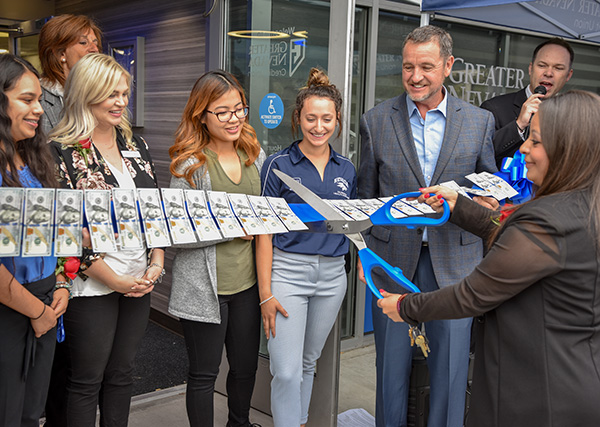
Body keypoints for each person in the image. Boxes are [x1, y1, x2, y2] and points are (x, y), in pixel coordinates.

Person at [378, 89, 600, 427]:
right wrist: (456, 206)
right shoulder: (585, 209)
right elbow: (512, 235)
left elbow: (473, 294)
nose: (524, 148)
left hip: (535, 396)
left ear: (569, 150)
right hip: (575, 380)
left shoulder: (547, 219)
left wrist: (406, 307)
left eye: (536, 142)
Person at [358, 25, 497, 427]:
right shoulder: (375, 120)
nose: (415, 76)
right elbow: (365, 199)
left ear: (448, 66)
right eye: (407, 67)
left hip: (455, 263)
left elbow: (489, 194)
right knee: (391, 371)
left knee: (451, 373)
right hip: (392, 265)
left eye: (426, 67)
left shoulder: (479, 122)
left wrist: (486, 204)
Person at [49, 53, 164, 427]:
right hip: (92, 285)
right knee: (86, 381)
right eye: (110, 94)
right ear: (85, 94)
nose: (120, 102)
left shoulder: (137, 145)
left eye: (124, 93)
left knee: (122, 374)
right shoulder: (62, 151)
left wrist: (157, 262)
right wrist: (113, 279)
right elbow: (63, 231)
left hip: (140, 278)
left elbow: (156, 212)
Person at [257, 68, 357, 427]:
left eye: (327, 119)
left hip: (332, 275)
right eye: (311, 118)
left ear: (337, 120)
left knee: (308, 363)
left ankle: (297, 421)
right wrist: (266, 293)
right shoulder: (278, 165)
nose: (319, 126)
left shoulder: (347, 169)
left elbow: (352, 225)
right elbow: (264, 232)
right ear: (297, 119)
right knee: (285, 371)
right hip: (287, 273)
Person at [168, 70, 265, 427]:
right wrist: (231, 227)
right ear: (201, 115)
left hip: (247, 285)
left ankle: (239, 423)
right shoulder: (188, 165)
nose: (234, 118)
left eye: (239, 109)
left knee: (245, 368)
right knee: (204, 375)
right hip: (204, 288)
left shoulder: (254, 154)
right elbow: (177, 232)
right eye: (222, 112)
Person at [0, 54, 69, 427]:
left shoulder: (33, 160)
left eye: (39, 99)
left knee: (30, 413)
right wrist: (37, 311)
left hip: (46, 302)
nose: (39, 109)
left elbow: (51, 233)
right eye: (27, 100)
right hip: (12, 309)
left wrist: (60, 282)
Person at [480, 37, 573, 168]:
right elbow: (480, 155)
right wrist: (518, 125)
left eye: (558, 68)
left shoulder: (573, 115)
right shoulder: (494, 108)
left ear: (568, 75)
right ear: (530, 68)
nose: (548, 73)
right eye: (542, 65)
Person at [38, 14, 102, 134]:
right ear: (61, 53)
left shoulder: (99, 95)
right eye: (83, 42)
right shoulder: (38, 100)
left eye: (95, 43)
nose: (94, 49)